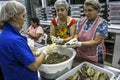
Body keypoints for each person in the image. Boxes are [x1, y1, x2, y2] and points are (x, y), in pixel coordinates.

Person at [0, 1, 55, 80]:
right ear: (15, 17)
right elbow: (34, 66)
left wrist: (34, 52)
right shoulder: (15, 41)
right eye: (23, 16)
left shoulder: (3, 35)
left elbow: (16, 56)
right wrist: (45, 51)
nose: (25, 20)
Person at [65, 0, 108, 64]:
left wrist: (79, 44)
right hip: (80, 53)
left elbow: (96, 41)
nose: (87, 13)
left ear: (97, 10)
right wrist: (75, 39)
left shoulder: (102, 23)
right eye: (85, 10)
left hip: (94, 55)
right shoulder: (81, 20)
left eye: (90, 10)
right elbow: (76, 34)